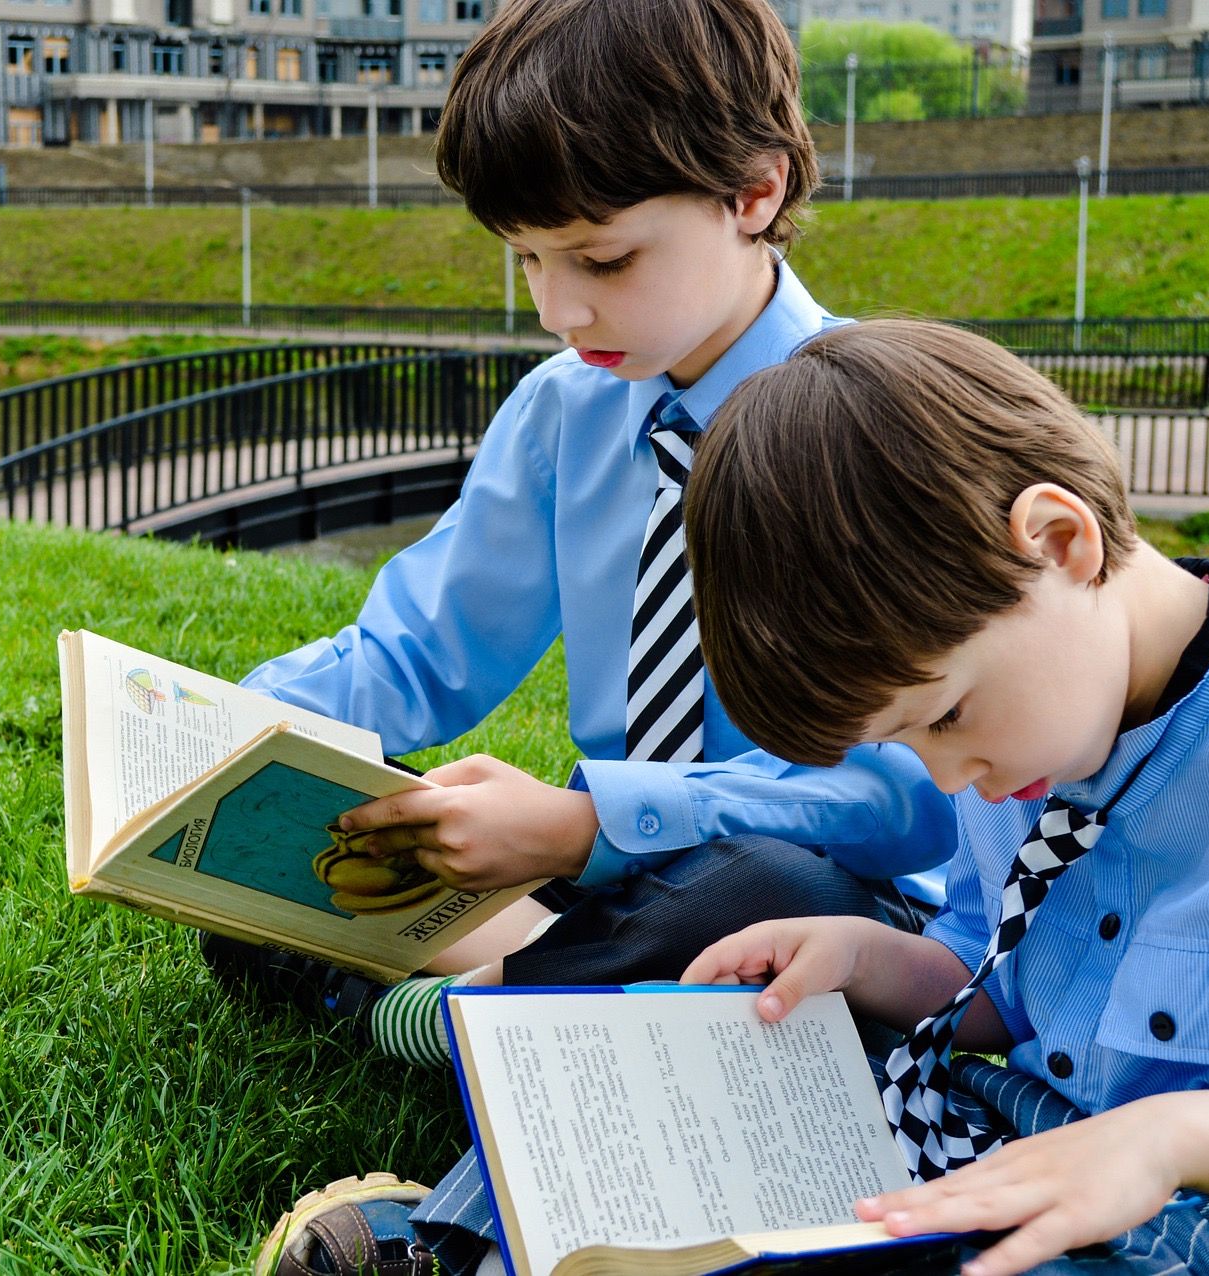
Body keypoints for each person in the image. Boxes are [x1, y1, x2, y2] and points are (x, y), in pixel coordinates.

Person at [212, 0, 956, 1084]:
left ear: (754, 191)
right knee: (321, 822)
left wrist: (585, 822)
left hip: (802, 891)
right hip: (598, 870)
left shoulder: (878, 431)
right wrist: (231, 728)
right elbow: (420, 652)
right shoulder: (565, 412)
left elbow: (917, 798)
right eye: (525, 261)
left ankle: (425, 1013)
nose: (559, 309)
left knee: (757, 889)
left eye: (601, 260)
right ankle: (510, 1003)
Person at [669, 319, 1209, 1276]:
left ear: (1059, 542)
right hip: (1028, 1137)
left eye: (944, 716)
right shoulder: (1021, 749)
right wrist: (866, 957)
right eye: (902, 740)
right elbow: (1003, 985)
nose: (945, 777)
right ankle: (431, 1231)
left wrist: (1169, 1139)